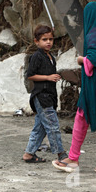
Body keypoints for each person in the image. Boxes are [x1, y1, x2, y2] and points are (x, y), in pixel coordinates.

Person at [52, 2, 96, 174]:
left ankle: (73, 158)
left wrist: (81, 60)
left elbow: (93, 60)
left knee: (81, 117)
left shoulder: (93, 35)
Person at [22, 25, 68, 164]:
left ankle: (29, 154)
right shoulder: (36, 56)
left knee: (40, 127)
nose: (48, 42)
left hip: (49, 96)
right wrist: (48, 77)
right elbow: (30, 75)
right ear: (37, 41)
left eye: (50, 39)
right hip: (41, 96)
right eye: (44, 39)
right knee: (53, 126)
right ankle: (61, 154)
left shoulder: (50, 57)